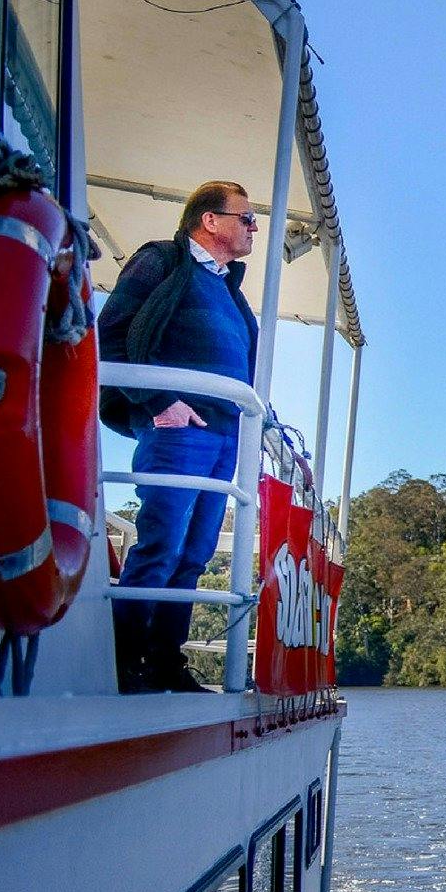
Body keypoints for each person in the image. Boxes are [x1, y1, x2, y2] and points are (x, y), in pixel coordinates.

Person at [99, 181, 259, 692]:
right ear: (210, 221)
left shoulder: (228, 287)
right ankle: (125, 667)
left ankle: (166, 662)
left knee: (195, 552)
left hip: (224, 434)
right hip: (177, 429)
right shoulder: (161, 263)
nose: (253, 228)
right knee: (162, 543)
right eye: (246, 218)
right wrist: (157, 402)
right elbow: (112, 335)